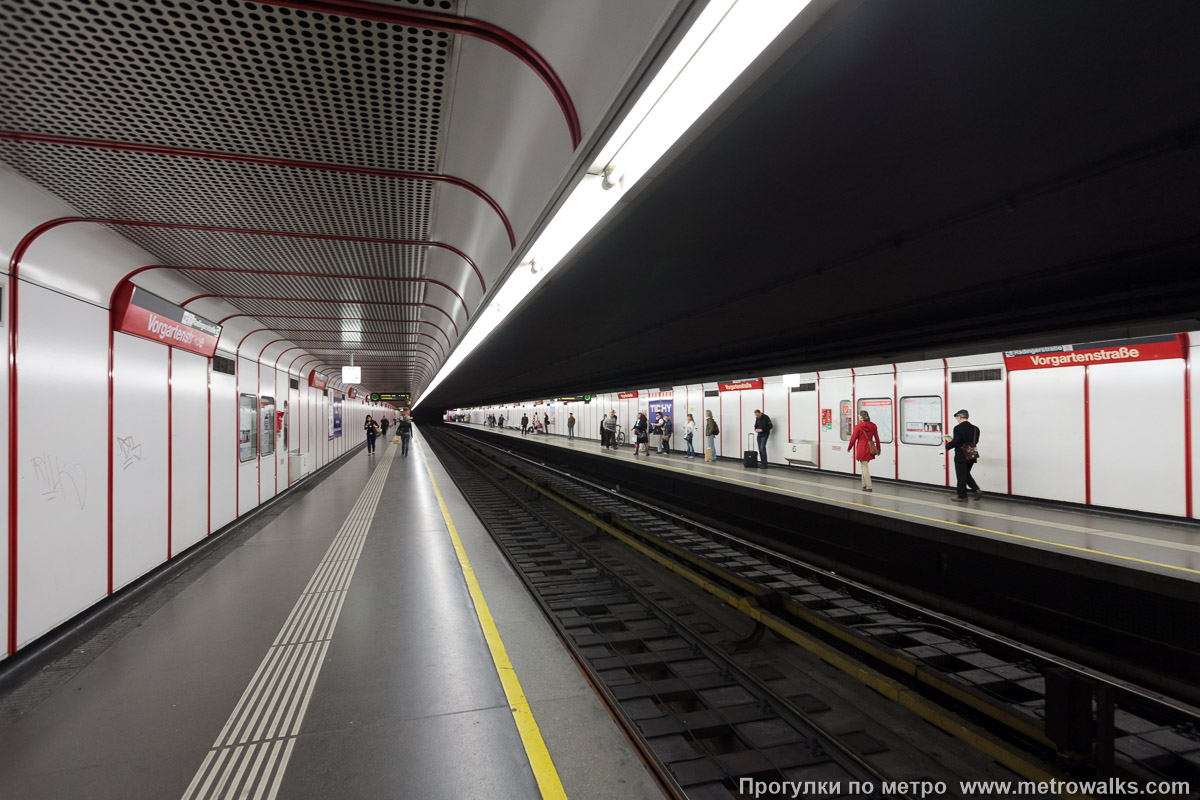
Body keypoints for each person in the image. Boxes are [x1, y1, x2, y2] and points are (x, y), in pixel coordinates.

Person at [945, 409, 982, 502]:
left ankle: (962, 496)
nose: (957, 419)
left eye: (957, 418)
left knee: (961, 476)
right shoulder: (975, 428)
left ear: (959, 417)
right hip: (972, 451)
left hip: (961, 454)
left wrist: (948, 445)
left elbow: (957, 441)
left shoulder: (958, 428)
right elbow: (976, 441)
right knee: (965, 474)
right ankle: (976, 490)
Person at [846, 410, 881, 491]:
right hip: (870, 449)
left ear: (861, 417)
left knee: (864, 467)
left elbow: (853, 439)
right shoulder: (873, 426)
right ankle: (864, 484)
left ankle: (869, 486)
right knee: (864, 466)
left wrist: (849, 447)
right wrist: (879, 449)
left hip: (862, 448)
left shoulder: (858, 426)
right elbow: (877, 439)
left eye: (859, 416)